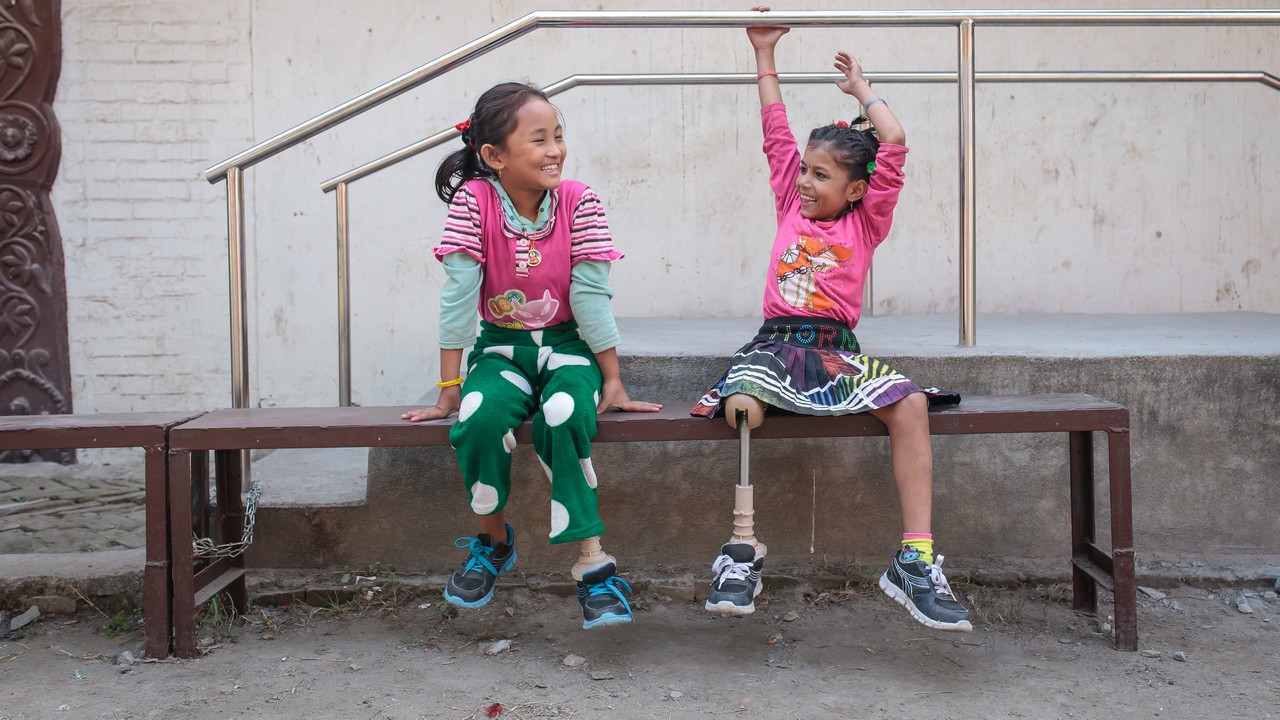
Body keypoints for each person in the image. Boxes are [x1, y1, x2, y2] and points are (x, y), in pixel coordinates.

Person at [690, 9, 972, 632]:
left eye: (823, 175)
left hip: (836, 353)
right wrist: (764, 54)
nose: (807, 181)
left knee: (911, 405)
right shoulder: (790, 199)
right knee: (743, 409)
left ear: (854, 190)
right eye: (806, 171)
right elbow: (774, 128)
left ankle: (915, 560)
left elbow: (893, 143)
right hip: (775, 348)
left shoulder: (865, 222)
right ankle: (741, 553)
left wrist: (863, 92)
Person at [403, 81, 661, 630]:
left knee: (563, 416)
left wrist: (612, 379)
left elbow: (591, 296)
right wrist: (450, 391)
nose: (555, 151)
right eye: (539, 140)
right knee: (479, 419)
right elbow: (456, 298)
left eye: (559, 136)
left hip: (568, 346)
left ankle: (594, 567)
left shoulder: (579, 200)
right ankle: (493, 542)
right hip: (500, 349)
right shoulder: (473, 203)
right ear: (494, 156)